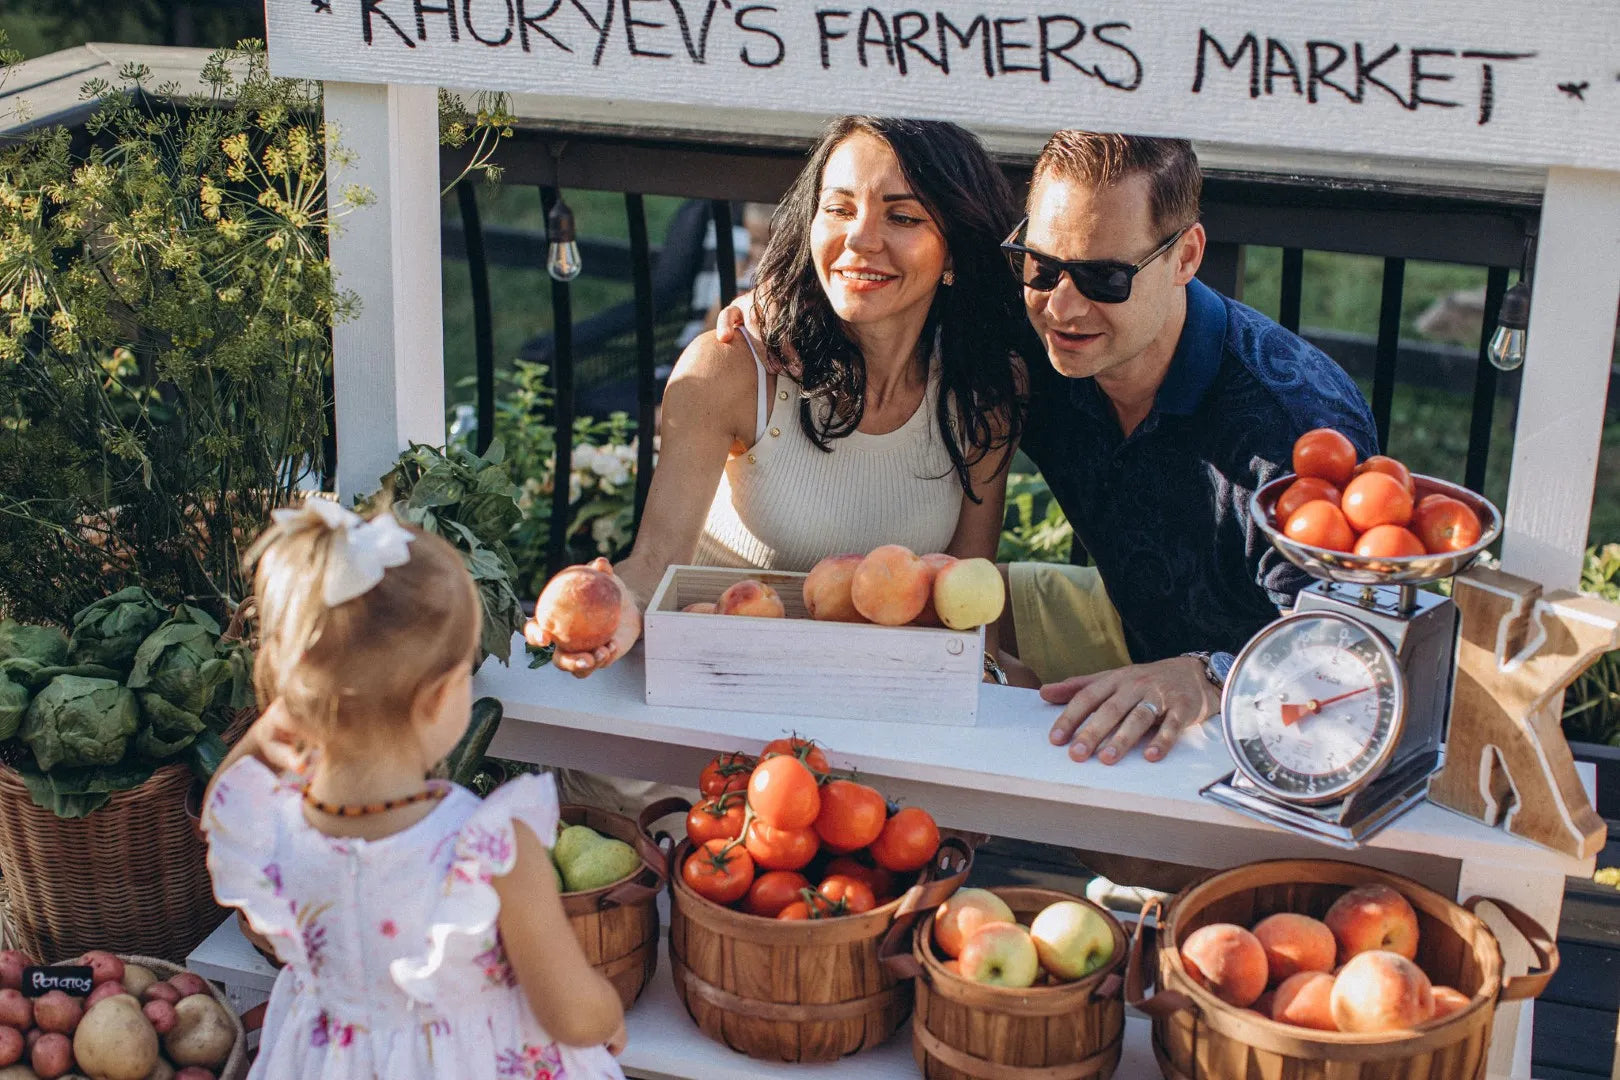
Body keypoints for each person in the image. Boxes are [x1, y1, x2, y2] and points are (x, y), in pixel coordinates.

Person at [718, 130, 1376, 767]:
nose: (1061, 305)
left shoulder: (1293, 430)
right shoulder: (1028, 324)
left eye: (1105, 277)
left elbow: (1351, 656)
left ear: (1186, 256)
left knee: (1125, 826)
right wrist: (779, 305)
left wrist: (1210, 676)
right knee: (918, 613)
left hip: (1256, 690)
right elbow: (895, 279)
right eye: (1042, 264)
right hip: (1123, 612)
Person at [533, 116, 1035, 681]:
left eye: (903, 216)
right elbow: (653, 562)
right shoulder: (734, 365)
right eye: (839, 209)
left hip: (867, 695)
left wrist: (991, 679)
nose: (860, 240)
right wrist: (614, 608)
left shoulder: (984, 392)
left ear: (955, 253)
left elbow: (967, 600)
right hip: (709, 683)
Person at [202, 498, 626, 1079]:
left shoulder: (274, 831)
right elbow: (572, 1016)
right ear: (436, 699)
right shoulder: (488, 848)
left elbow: (228, 798)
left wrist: (275, 722)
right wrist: (604, 1014)